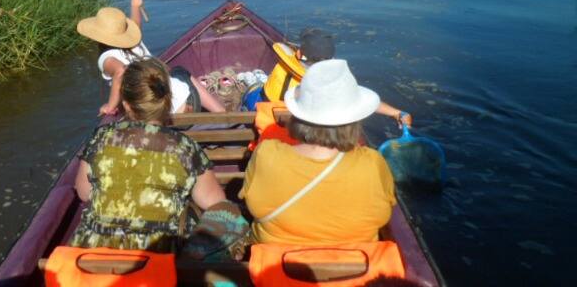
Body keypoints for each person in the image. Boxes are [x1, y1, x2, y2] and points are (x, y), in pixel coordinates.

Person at [70, 57, 227, 251]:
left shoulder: (100, 137)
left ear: (126, 105)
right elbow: (218, 207)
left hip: (93, 259)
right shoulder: (185, 147)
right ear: (166, 100)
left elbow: (84, 192)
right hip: (159, 259)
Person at [241, 58, 396, 245]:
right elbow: (383, 213)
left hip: (278, 267)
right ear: (354, 119)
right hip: (354, 268)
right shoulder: (372, 163)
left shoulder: (267, 153)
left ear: (299, 117)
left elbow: (249, 201)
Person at [77, 0, 225, 115]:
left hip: (161, 114)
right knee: (180, 72)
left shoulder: (105, 58)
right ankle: (220, 113)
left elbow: (120, 72)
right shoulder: (134, 43)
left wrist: (110, 106)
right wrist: (135, 5)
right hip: (192, 101)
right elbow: (136, 25)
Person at [263, 28, 412, 127]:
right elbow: (356, 96)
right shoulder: (329, 85)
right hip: (300, 124)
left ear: (299, 54)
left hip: (270, 111)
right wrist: (396, 113)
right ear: (331, 58)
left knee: (254, 90)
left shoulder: (283, 66)